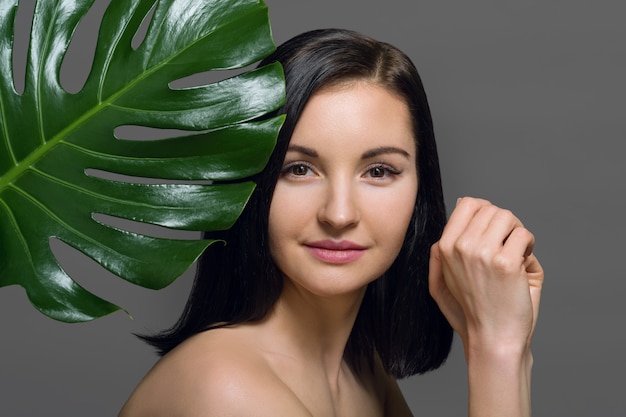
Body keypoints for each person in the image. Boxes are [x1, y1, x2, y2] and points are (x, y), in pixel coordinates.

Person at [119, 28, 543, 417]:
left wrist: (513, 348)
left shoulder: (361, 370)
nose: (339, 215)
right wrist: (496, 352)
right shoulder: (227, 389)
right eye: (299, 169)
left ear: (420, 191)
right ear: (253, 185)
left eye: (378, 171)